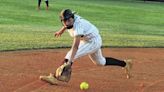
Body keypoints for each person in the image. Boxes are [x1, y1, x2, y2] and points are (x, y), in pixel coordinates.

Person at [39, 9, 132, 85]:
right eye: (64, 21)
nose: (66, 23)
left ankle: (55, 78)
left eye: (68, 20)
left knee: (70, 55)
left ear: (72, 18)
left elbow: (75, 46)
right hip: (92, 39)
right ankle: (125, 64)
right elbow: (66, 25)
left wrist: (69, 62)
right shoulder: (70, 20)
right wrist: (61, 31)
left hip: (93, 42)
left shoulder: (78, 27)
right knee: (100, 62)